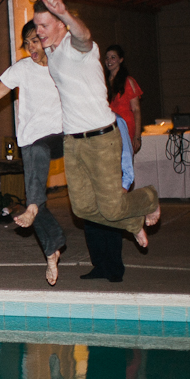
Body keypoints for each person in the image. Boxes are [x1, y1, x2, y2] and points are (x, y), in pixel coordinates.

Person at [32, 0, 160, 248]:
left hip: (102, 138)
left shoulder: (77, 47)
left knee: (111, 208)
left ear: (61, 24)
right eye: (36, 25)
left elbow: (85, 36)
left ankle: (149, 197)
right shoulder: (51, 53)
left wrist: (65, 12)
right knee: (82, 209)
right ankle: (134, 224)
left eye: (44, 25)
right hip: (73, 141)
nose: (39, 31)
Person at [0, 22, 66, 285]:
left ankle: (33, 211)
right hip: (30, 138)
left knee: (43, 159)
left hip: (62, 135)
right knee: (35, 197)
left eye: (35, 41)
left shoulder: (63, 65)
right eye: (27, 43)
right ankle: (52, 249)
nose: (31, 48)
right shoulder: (22, 68)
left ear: (47, 40)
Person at [81, 117, 135, 282]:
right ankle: (100, 265)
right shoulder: (82, 119)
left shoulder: (116, 120)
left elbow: (125, 150)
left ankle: (114, 267)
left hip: (110, 178)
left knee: (110, 223)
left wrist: (126, 182)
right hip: (88, 178)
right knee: (91, 224)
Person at [104, 45, 143, 154]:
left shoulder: (128, 81)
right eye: (107, 58)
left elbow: (136, 109)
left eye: (113, 57)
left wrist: (137, 136)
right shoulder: (103, 82)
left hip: (125, 127)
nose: (109, 61)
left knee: (124, 164)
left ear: (120, 60)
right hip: (108, 128)